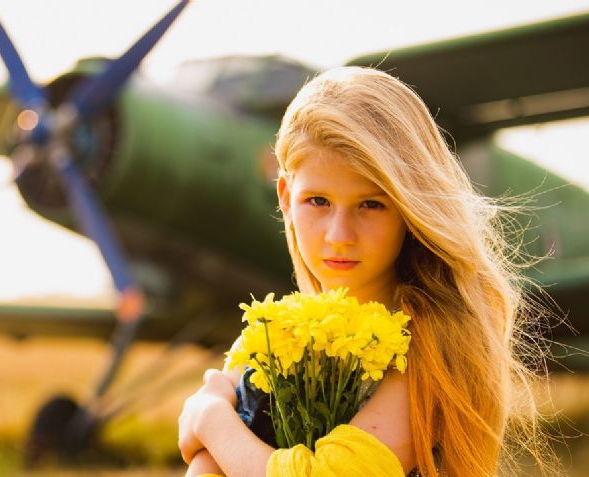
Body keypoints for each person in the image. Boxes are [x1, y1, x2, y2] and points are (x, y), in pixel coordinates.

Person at [178, 66, 557, 476]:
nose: (340, 236)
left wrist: (211, 417)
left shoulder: (434, 341)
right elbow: (198, 455)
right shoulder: (274, 336)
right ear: (285, 196)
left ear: (410, 207)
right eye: (318, 201)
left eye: (371, 205)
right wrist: (212, 436)